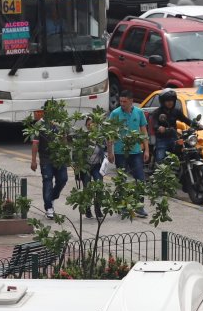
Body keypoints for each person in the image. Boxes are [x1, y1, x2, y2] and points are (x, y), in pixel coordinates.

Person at [108, 90, 150, 218]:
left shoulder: (139, 113)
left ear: (131, 101)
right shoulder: (115, 114)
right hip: (120, 152)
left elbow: (144, 132)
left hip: (135, 151)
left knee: (140, 179)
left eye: (125, 101)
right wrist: (110, 152)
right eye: (120, 101)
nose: (122, 104)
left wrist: (146, 149)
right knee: (122, 180)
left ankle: (139, 206)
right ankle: (123, 206)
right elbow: (110, 134)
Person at [30, 102, 68, 219]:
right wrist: (33, 161)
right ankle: (48, 207)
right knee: (47, 182)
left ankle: (52, 196)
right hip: (46, 159)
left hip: (59, 158)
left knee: (63, 179)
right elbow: (35, 144)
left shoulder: (60, 124)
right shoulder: (39, 125)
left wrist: (65, 156)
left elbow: (64, 140)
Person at [151, 90, 196, 165]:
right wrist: (159, 128)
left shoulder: (176, 111)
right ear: (163, 101)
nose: (170, 102)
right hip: (162, 139)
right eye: (167, 100)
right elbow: (154, 124)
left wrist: (196, 124)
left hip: (174, 137)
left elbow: (186, 120)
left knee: (184, 153)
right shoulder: (157, 112)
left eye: (172, 100)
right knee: (160, 159)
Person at [76, 116, 105, 221]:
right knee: (87, 188)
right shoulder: (83, 137)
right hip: (86, 166)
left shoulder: (100, 137)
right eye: (88, 125)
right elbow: (76, 152)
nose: (91, 126)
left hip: (97, 165)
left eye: (93, 124)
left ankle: (98, 209)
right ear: (86, 126)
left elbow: (105, 150)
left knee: (99, 185)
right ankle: (88, 209)